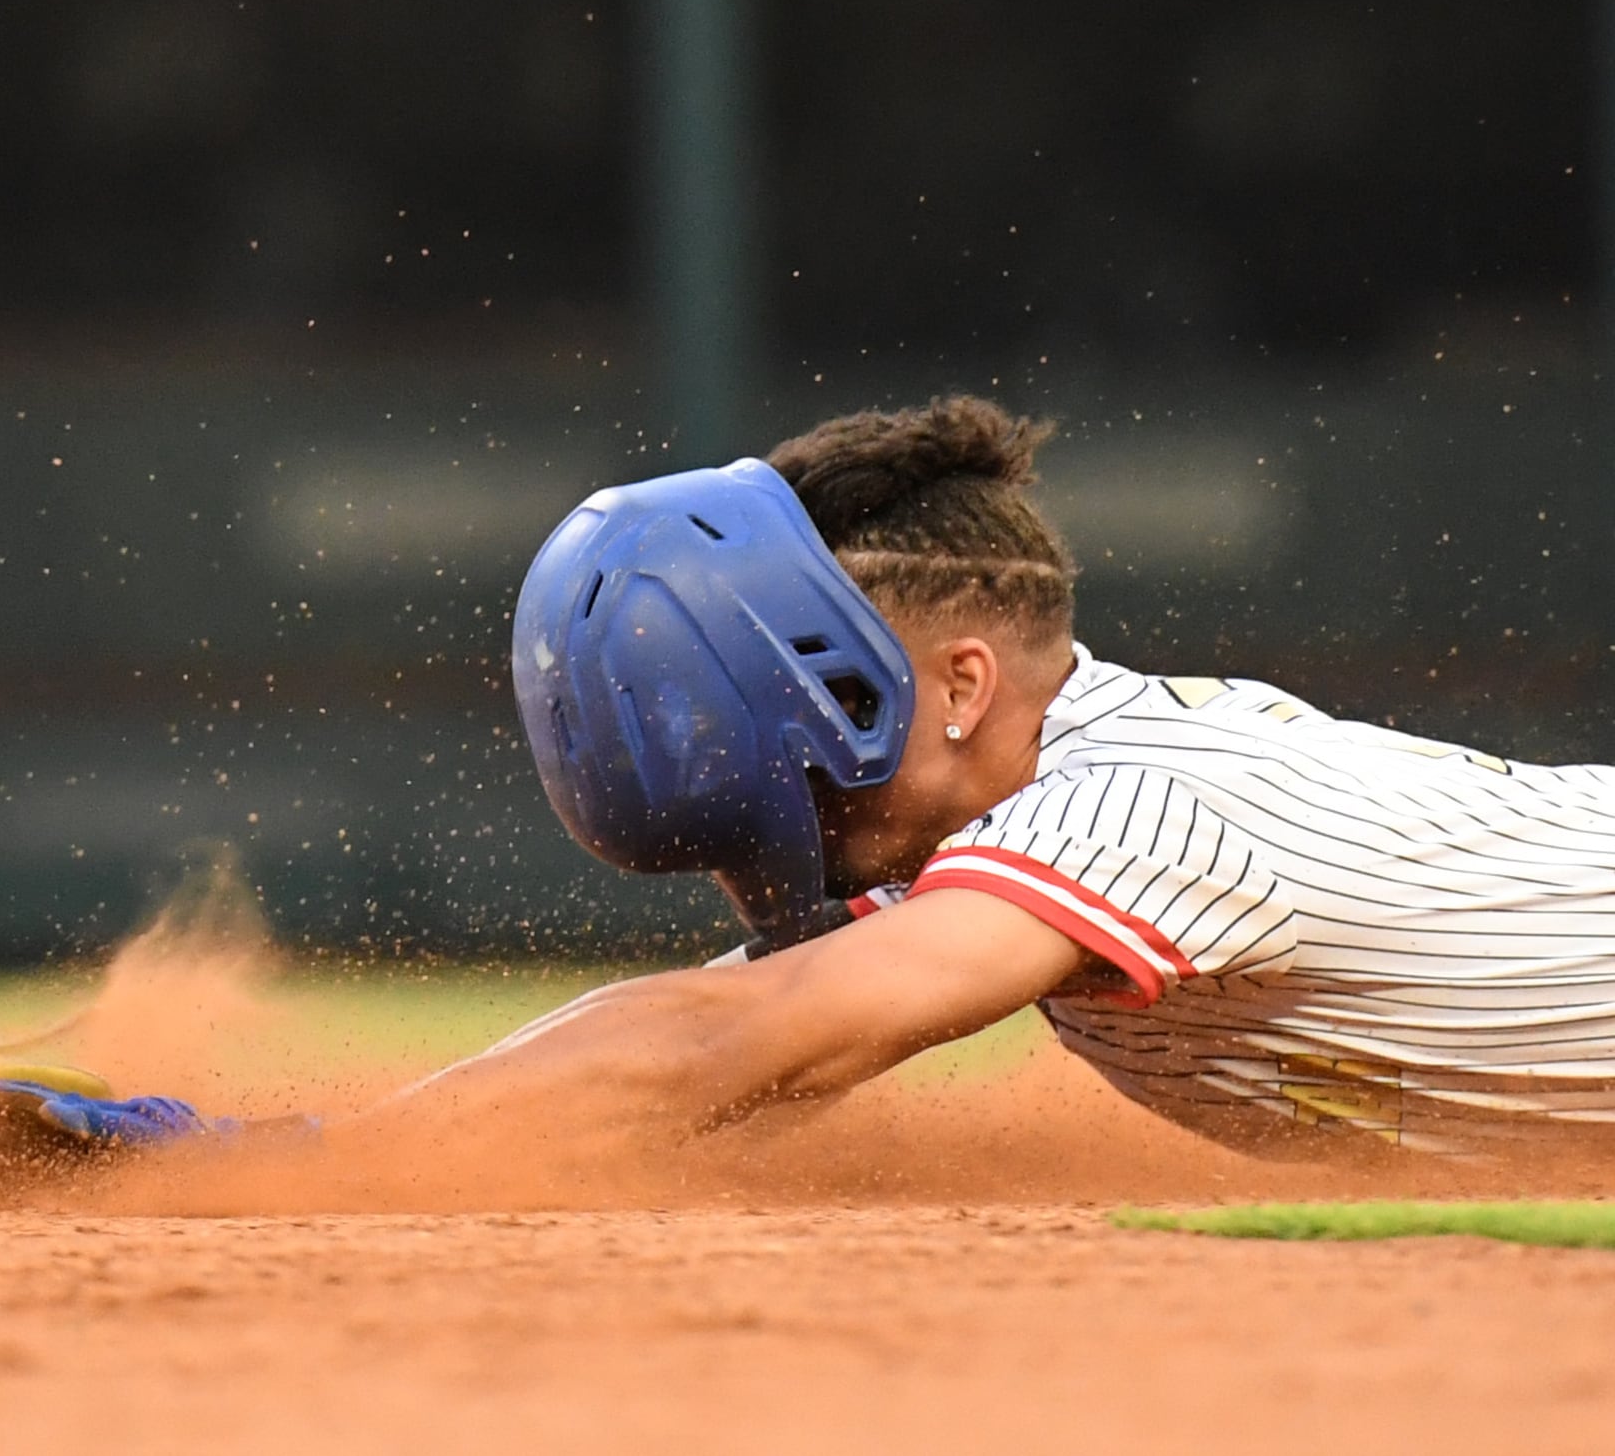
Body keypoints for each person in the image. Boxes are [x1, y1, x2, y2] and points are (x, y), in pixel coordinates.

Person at [396, 396, 1615, 1161]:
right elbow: (694, 1037)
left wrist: (293, 1152)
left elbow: (753, 1039)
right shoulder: (983, 822)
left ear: (962, 689)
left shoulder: (1137, 804)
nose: (793, 795)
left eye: (822, 732)